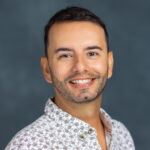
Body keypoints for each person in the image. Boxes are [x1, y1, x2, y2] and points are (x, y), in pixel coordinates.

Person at [5, 7, 135, 150]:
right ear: (47, 69)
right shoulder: (28, 146)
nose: (80, 67)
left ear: (109, 64)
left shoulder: (121, 134)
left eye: (92, 53)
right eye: (65, 55)